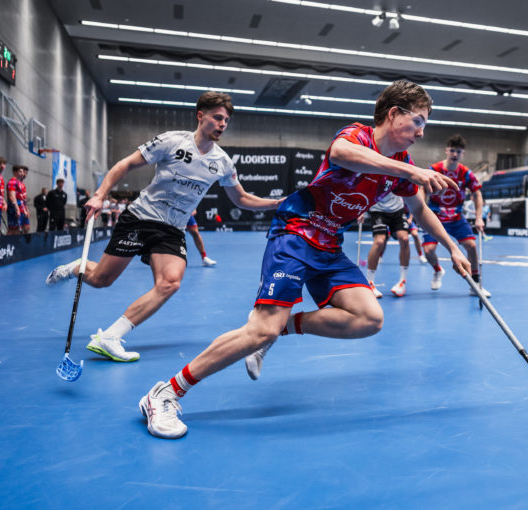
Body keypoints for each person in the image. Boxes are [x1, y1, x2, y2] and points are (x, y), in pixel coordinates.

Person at [137, 80, 471, 439]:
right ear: (393, 114)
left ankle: (279, 329)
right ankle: (166, 392)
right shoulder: (358, 137)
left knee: (369, 318)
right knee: (259, 329)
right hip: (296, 232)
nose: (421, 133)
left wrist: (452, 247)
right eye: (418, 121)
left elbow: (420, 211)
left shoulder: (402, 164)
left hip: (329, 245)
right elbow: (340, 153)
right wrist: (410, 172)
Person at [45, 91, 282, 363]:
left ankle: (110, 337)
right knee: (101, 280)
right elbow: (126, 164)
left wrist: (277, 203)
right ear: (200, 115)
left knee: (170, 283)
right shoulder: (172, 141)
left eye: (226, 120)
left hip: (172, 229)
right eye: (218, 118)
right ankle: (76, 267)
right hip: (141, 218)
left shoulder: (223, 162)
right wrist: (100, 195)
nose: (222, 124)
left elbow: (241, 199)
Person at [423, 134, 488, 297]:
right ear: (446, 150)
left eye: (458, 152)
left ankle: (475, 284)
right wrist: (421, 209)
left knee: (471, 246)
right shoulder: (434, 169)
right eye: (452, 150)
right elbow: (422, 188)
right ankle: (437, 270)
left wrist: (479, 217)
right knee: (429, 250)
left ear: (462, 154)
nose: (454, 154)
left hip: (456, 217)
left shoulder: (466, 173)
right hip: (436, 216)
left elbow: (477, 194)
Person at [360, 191, 413, 298]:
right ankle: (370, 283)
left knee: (404, 239)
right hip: (378, 210)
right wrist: (361, 211)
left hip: (397, 209)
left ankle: (402, 281)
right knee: (379, 241)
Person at [5, 164, 30, 234]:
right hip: (14, 208)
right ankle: (8, 240)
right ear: (15, 172)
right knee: (13, 230)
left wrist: (26, 209)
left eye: (23, 172)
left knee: (26, 227)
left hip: (22, 208)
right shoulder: (12, 182)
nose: (22, 173)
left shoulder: (21, 183)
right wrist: (16, 208)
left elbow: (24, 199)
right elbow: (12, 196)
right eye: (20, 171)